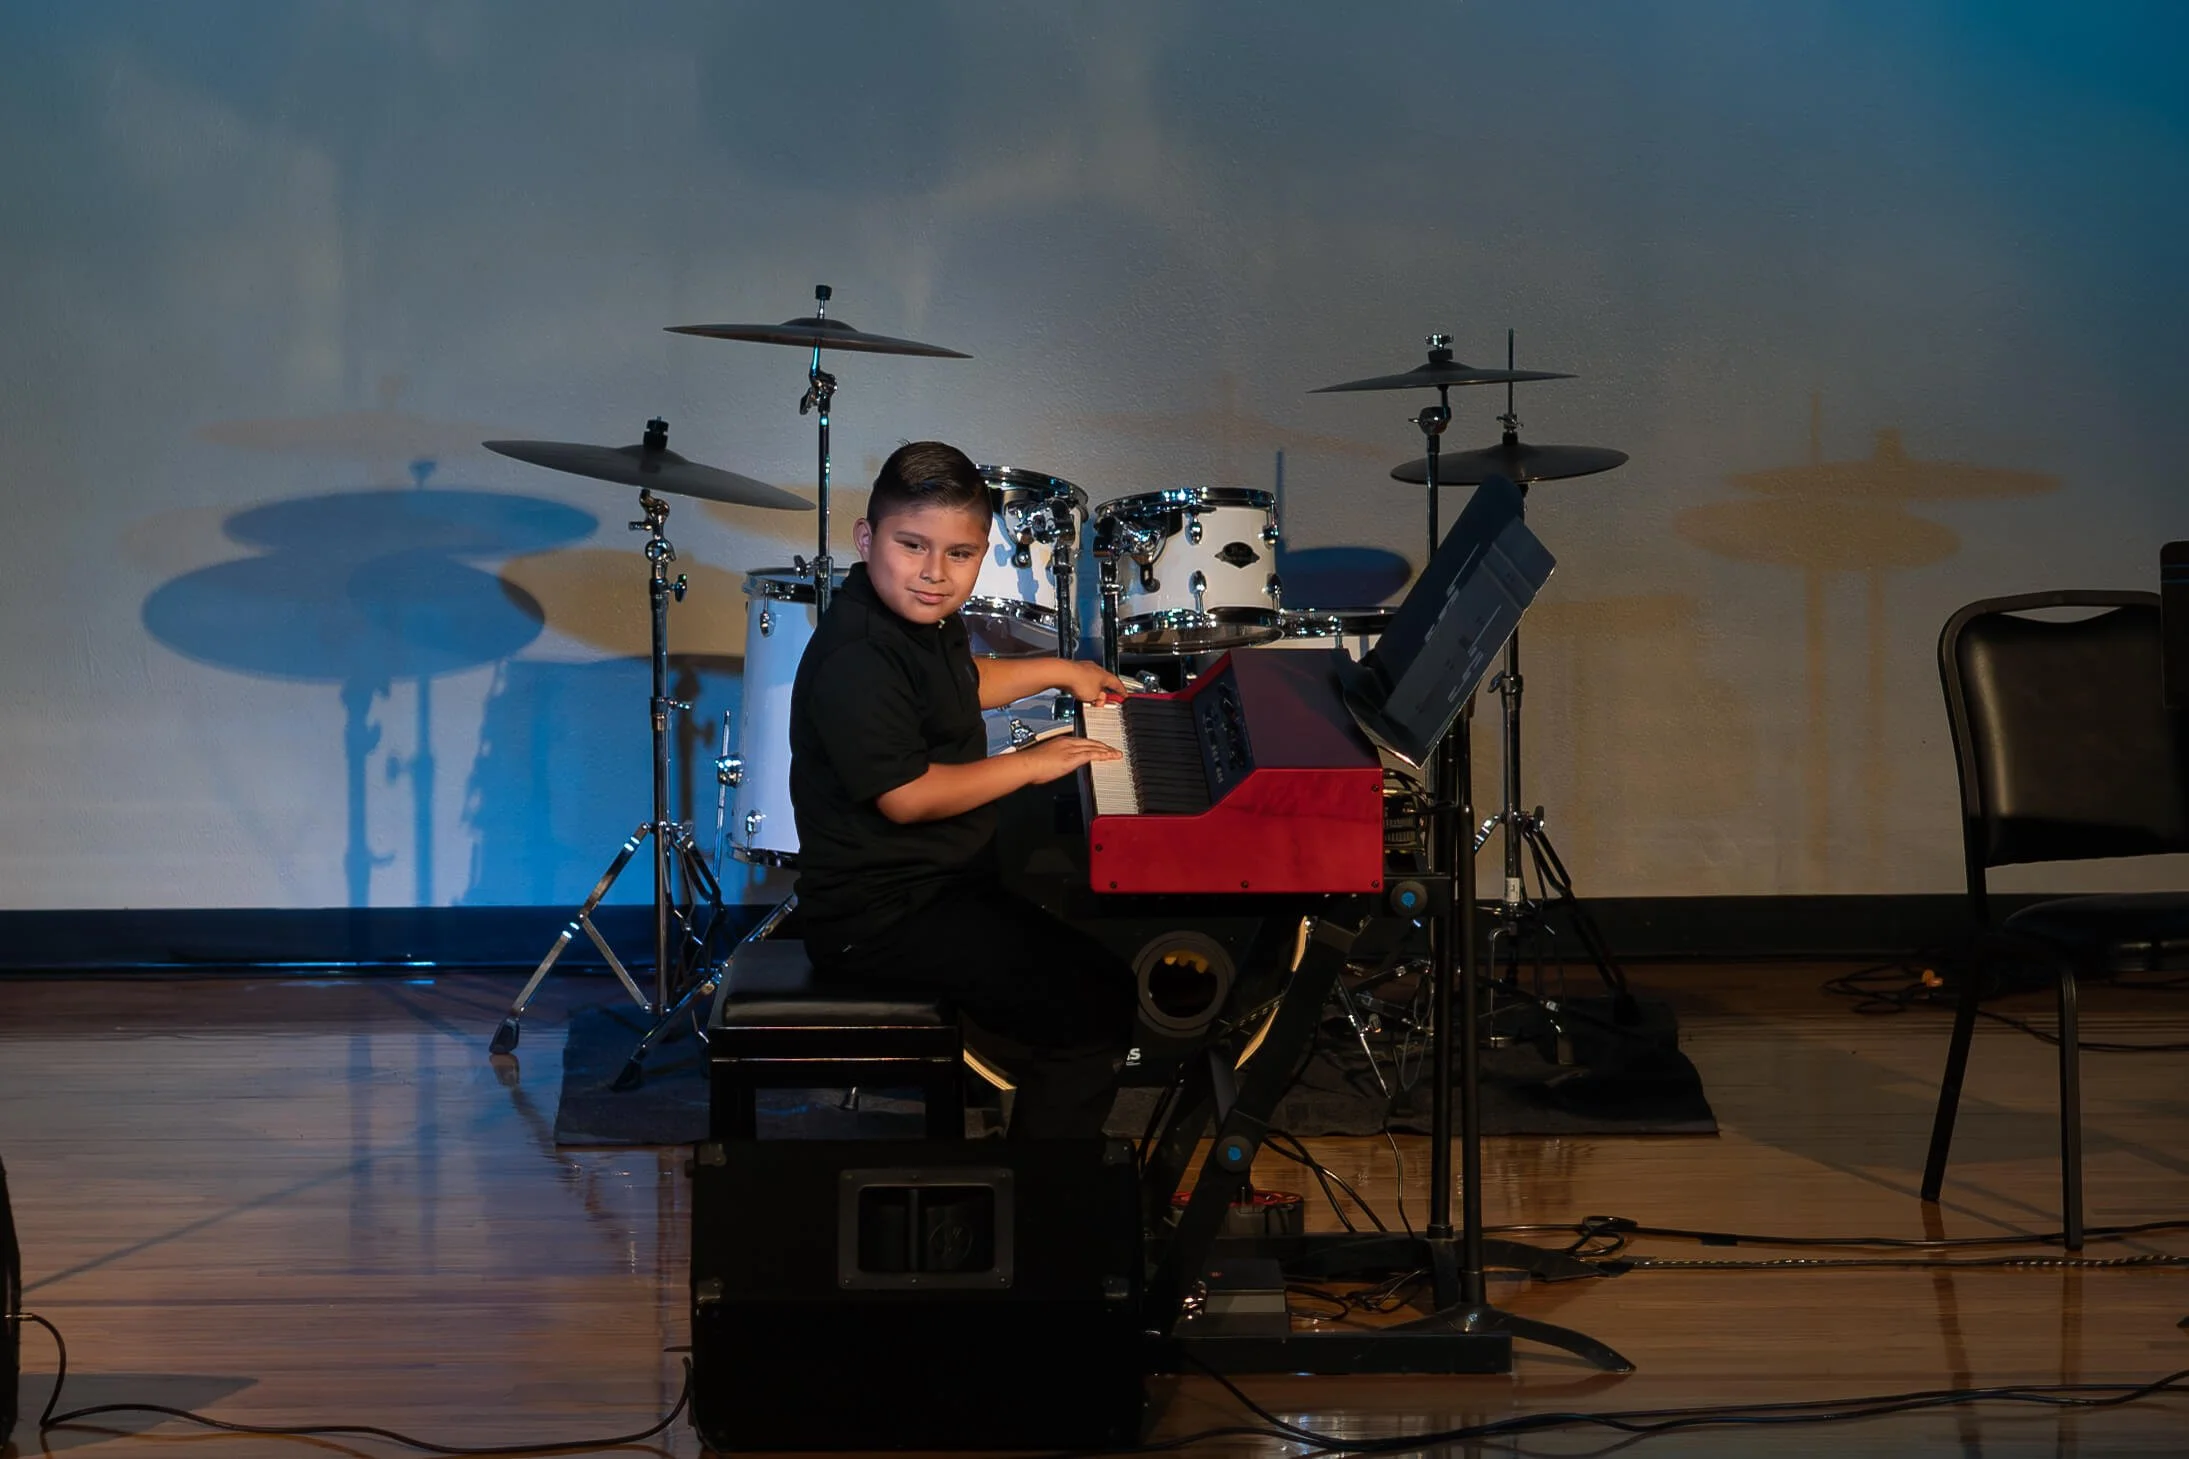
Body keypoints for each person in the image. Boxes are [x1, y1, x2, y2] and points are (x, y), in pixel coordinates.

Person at [787, 440, 1138, 1138]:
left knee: (1091, 901)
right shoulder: (858, 653)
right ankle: (1045, 1204)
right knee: (1097, 997)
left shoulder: (914, 620)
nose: (933, 572)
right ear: (866, 536)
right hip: (880, 915)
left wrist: (1061, 671)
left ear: (982, 552)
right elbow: (907, 795)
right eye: (911, 545)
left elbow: (956, 686)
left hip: (936, 879)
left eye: (959, 553)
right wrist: (1033, 761)